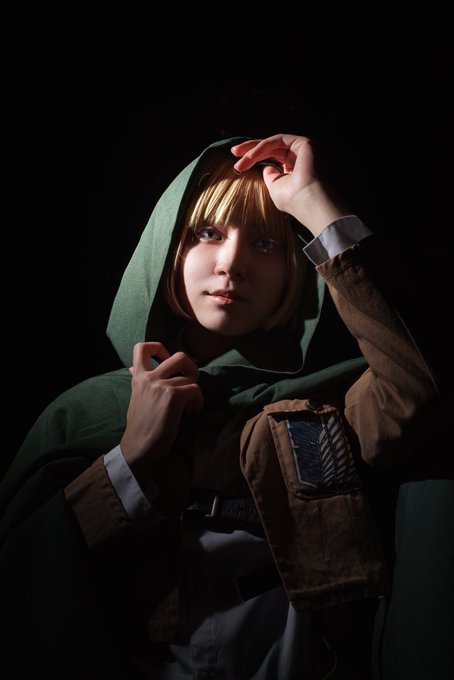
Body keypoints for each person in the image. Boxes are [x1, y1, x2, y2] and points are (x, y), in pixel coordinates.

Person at [1, 133, 451, 680]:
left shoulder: (332, 403)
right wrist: (129, 459)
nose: (232, 263)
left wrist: (312, 202)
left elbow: (422, 387)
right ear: (168, 248)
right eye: (207, 233)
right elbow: (25, 583)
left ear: (296, 269)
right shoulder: (83, 415)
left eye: (265, 243)